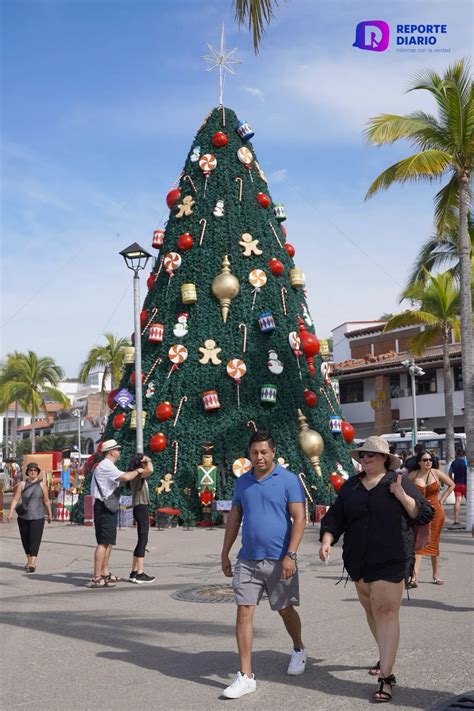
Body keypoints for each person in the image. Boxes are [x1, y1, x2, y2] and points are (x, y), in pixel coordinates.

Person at [319, 436, 433, 703]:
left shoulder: (398, 481)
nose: (365, 458)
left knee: (385, 611)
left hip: (391, 557)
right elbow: (336, 516)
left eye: (371, 454)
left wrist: (402, 496)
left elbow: (423, 514)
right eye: (362, 455)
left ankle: (386, 676)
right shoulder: (351, 487)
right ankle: (385, 656)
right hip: (358, 561)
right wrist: (326, 539)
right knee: (372, 610)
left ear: (384, 458)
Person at [220, 430, 306, 699]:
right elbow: (234, 518)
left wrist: (290, 555)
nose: (259, 457)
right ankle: (246, 676)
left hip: (280, 560)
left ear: (273, 452)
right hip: (247, 559)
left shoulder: (288, 480)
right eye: (255, 452)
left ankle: (298, 649)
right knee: (243, 611)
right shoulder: (242, 482)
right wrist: (225, 553)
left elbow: (299, 518)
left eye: (264, 452)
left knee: (285, 610)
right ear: (249, 453)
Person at [89, 439, 153, 588]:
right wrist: (138, 470)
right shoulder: (106, 465)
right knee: (103, 543)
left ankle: (105, 572)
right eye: (117, 449)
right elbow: (125, 477)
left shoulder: (108, 466)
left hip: (107, 506)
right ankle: (97, 577)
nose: (119, 452)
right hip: (103, 507)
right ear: (111, 451)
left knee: (109, 542)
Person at [409, 450, 455, 586]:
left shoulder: (436, 473)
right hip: (421, 513)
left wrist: (442, 499)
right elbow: (405, 490)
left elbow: (452, 485)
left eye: (430, 459)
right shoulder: (412, 475)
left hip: (436, 513)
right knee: (419, 542)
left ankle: (435, 575)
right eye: (425, 460)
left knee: (433, 542)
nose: (428, 462)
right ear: (419, 462)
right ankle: (414, 577)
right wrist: (416, 502)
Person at [7, 462, 52, 572]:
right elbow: (16, 499)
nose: (33, 472)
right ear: (27, 472)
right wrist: (10, 513)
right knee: (25, 540)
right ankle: (29, 560)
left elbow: (46, 500)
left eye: (35, 470)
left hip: (38, 517)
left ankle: (33, 562)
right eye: (31, 470)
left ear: (38, 472)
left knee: (35, 540)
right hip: (23, 517)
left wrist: (50, 513)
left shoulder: (42, 485)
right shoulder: (22, 484)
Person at [129, 457, 155, 584]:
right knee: (143, 539)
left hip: (139, 507)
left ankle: (134, 572)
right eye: (143, 463)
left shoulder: (136, 476)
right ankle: (140, 573)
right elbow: (151, 469)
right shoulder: (138, 475)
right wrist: (148, 460)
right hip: (141, 507)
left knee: (141, 539)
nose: (146, 465)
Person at [449, 449, 468, 527]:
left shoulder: (453, 463)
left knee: (457, 502)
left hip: (457, 484)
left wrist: (452, 480)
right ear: (464, 455)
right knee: (470, 501)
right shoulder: (465, 462)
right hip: (465, 484)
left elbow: (450, 473)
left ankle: (456, 519)